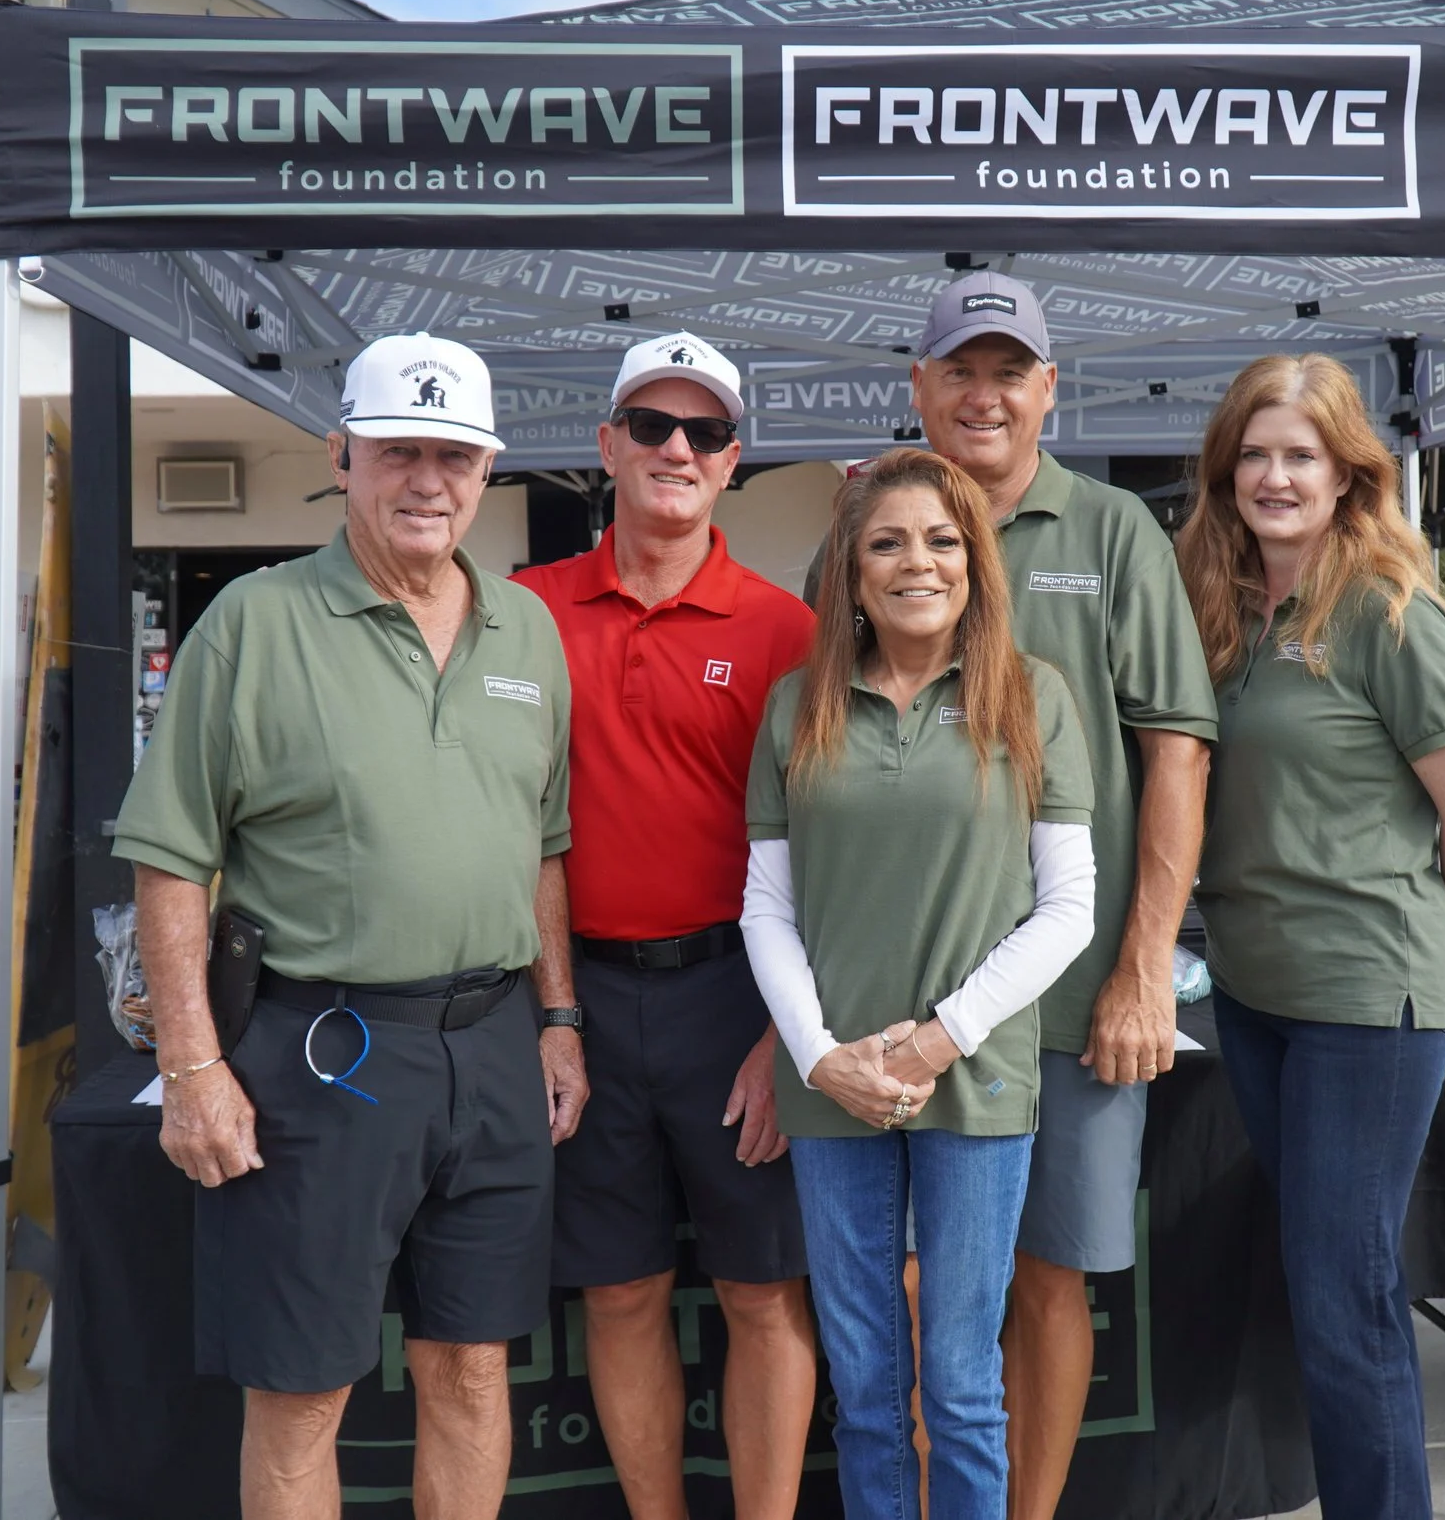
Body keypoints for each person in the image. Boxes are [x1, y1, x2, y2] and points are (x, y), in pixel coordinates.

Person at [114, 332, 588, 1520]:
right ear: (342, 457)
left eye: (456, 456)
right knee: (300, 1392)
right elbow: (171, 860)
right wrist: (191, 1067)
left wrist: (559, 1017)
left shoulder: (528, 630)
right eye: (399, 451)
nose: (429, 481)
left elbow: (541, 841)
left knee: (474, 1370)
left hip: (489, 1046)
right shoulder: (253, 624)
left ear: (489, 473)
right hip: (321, 1049)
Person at [812, 271, 1215, 1520]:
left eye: (1009, 371)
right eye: (958, 370)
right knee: (910, 1299)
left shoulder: (1110, 532)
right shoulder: (864, 534)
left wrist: (1144, 960)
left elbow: (1177, 748)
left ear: (1050, 390)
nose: (982, 394)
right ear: (918, 388)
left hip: (1065, 991)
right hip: (891, 997)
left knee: (1044, 1278)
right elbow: (818, 737)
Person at [1173, 353, 1445, 1520]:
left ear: (1345, 473)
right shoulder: (1220, 604)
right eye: (1253, 454)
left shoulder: (1383, 610)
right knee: (1323, 1286)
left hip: (1368, 1003)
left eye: (1299, 455)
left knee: (1342, 1293)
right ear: (1225, 472)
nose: (1274, 476)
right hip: (1255, 994)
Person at [743, 449, 1097, 1520]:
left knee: (959, 1385)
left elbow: (1068, 906)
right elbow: (766, 905)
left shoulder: (1034, 696)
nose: (916, 562)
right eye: (886, 541)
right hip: (832, 1089)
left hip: (975, 1080)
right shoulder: (795, 705)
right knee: (862, 1391)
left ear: (975, 562)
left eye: (942, 540)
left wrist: (940, 1036)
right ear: (850, 571)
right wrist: (817, 1055)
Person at [513, 332, 820, 1520]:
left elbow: (827, 850)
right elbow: (527, 833)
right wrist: (554, 1011)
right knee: (623, 1292)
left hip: (737, 996)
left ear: (733, 461)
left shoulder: (784, 628)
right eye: (651, 425)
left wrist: (785, 1032)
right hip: (578, 997)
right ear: (606, 447)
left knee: (760, 1292)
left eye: (702, 432)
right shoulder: (525, 614)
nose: (676, 448)